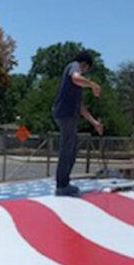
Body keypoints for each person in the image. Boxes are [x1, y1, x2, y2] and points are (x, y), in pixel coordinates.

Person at [52, 51, 103, 196]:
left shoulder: (77, 87)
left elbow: (81, 107)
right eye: (86, 70)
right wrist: (93, 85)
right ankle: (61, 185)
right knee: (67, 147)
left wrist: (94, 123)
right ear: (84, 65)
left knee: (73, 148)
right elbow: (76, 78)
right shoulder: (74, 66)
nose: (85, 73)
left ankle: (64, 182)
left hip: (69, 114)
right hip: (65, 114)